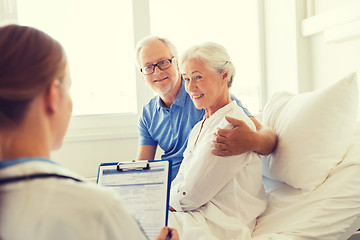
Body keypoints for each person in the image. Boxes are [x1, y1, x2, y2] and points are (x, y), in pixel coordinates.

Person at [0, 24, 178, 240]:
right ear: (53, 96)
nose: (157, 71)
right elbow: (143, 165)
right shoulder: (97, 209)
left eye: (162, 63)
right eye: (69, 87)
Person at [135, 36, 277, 181]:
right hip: (168, 189)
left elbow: (268, 139)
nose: (157, 72)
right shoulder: (148, 114)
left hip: (195, 188)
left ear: (176, 64)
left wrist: (252, 140)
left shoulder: (204, 95)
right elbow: (142, 168)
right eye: (148, 67)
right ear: (142, 75)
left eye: (163, 62)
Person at [168, 42, 267, 240]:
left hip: (220, 226)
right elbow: (182, 181)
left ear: (224, 75)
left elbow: (192, 195)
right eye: (186, 79)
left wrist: (163, 205)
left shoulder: (232, 126)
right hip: (195, 217)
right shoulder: (200, 127)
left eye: (198, 77)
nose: (190, 87)